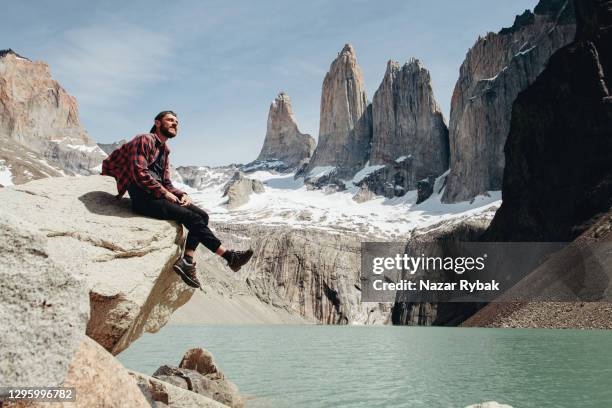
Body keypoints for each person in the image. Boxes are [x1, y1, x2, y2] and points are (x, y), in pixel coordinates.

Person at [101, 110, 253, 289]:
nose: (175, 124)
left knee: (202, 216)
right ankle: (229, 257)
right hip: (142, 198)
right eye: (170, 120)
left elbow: (166, 182)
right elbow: (138, 173)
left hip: (155, 195)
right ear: (157, 123)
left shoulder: (165, 150)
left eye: (176, 122)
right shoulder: (145, 140)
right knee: (193, 218)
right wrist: (165, 193)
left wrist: (181, 194)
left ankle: (187, 260)